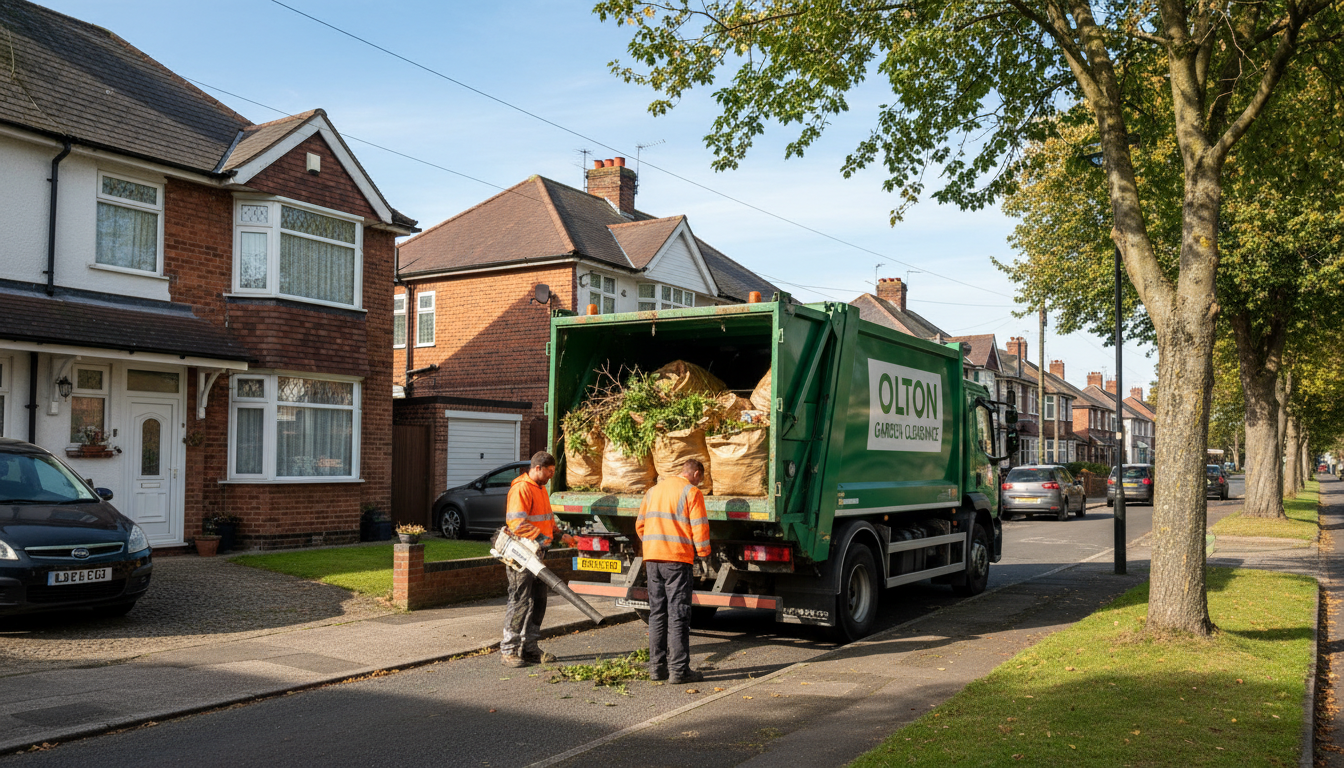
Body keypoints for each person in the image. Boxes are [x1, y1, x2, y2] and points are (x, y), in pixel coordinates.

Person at [636, 458, 711, 684]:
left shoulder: (653, 492)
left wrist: (653, 544)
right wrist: (704, 553)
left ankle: (656, 670)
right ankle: (679, 671)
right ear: (696, 473)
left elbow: (640, 525)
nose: (701, 482)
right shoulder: (691, 492)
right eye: (701, 478)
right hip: (677, 560)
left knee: (657, 613)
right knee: (678, 614)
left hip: (652, 559)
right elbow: (699, 526)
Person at [501, 451, 573, 668]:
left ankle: (530, 647)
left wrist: (561, 535)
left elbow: (547, 521)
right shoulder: (521, 488)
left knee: (539, 601)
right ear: (538, 468)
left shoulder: (541, 489)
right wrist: (543, 539)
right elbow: (517, 524)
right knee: (520, 601)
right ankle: (509, 650)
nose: (551, 476)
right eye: (549, 472)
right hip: (522, 555)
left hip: (537, 555)